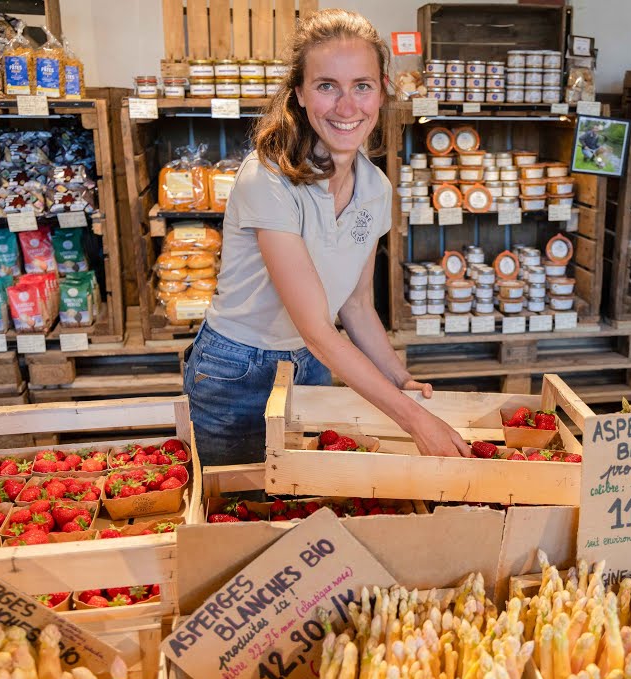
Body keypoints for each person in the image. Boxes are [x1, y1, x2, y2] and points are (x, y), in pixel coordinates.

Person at [182, 8, 472, 466]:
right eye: (326, 86)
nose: (347, 106)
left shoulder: (376, 188)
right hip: (235, 369)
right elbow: (318, 328)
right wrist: (415, 420)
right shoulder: (268, 179)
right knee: (238, 516)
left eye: (362, 85)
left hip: (312, 364)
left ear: (381, 92)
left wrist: (399, 377)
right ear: (298, 93)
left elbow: (355, 305)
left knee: (303, 505)